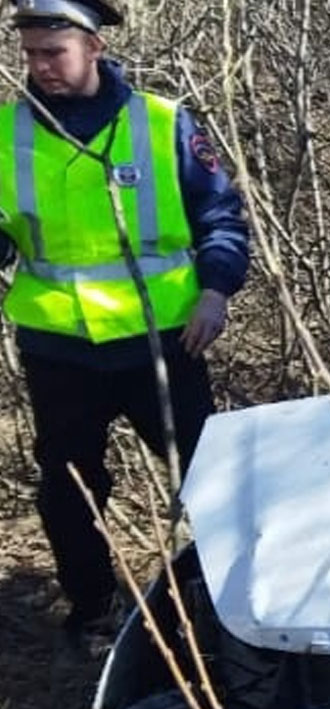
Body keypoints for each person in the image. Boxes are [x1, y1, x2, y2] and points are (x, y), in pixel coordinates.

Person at [0, 0, 249, 646]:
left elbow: (221, 218)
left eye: (53, 52)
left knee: (209, 477)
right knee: (69, 490)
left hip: (165, 341)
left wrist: (216, 292)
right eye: (30, 54)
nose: (39, 67)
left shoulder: (161, 123)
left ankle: (240, 600)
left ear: (93, 47)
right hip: (60, 348)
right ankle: (93, 612)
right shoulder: (6, 135)